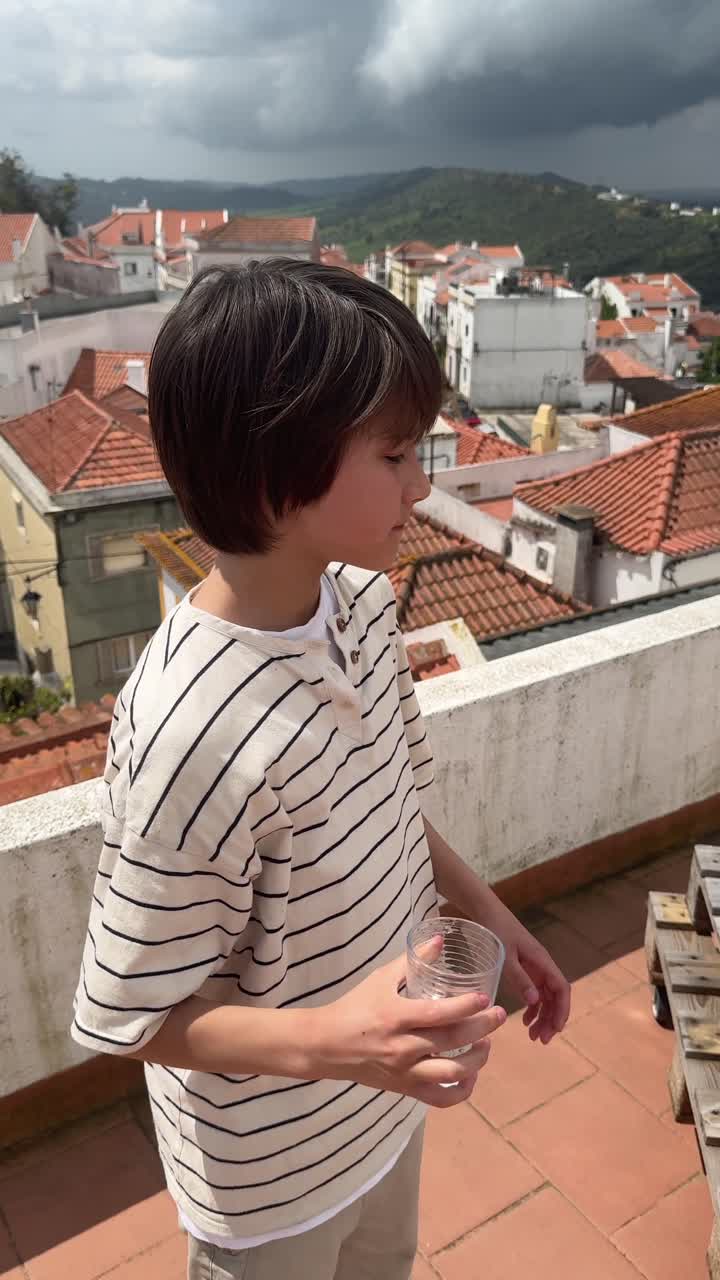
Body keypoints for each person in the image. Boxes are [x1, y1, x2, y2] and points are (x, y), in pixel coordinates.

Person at [71, 260, 570, 1280]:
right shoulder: (189, 730)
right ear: (274, 470)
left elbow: (392, 809)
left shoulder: (364, 607)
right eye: (394, 454)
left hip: (380, 1110)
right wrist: (343, 1039)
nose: (421, 484)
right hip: (267, 1177)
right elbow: (132, 1014)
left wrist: (498, 920)